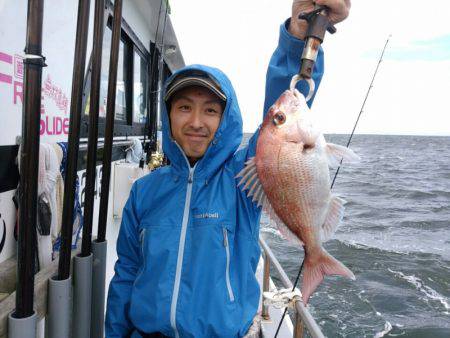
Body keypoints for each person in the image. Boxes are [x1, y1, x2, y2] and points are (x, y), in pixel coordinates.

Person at [106, 0, 351, 337]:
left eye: (210, 110)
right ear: (168, 115)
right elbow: (127, 272)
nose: (195, 122)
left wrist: (300, 34)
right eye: (183, 107)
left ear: (225, 120)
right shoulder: (144, 191)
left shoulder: (241, 177)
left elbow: (282, 104)